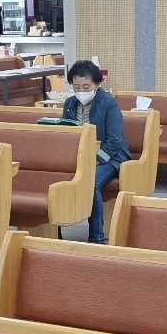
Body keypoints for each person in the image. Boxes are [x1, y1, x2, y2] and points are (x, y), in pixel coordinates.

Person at [61, 60, 130, 244]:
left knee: (90, 182)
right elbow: (66, 134)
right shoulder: (69, 104)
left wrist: (95, 160)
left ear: (97, 84)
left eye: (86, 87)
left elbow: (115, 141)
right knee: (55, 177)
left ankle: (96, 238)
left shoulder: (108, 103)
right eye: (76, 87)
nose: (81, 92)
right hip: (80, 158)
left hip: (112, 158)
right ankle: (55, 233)